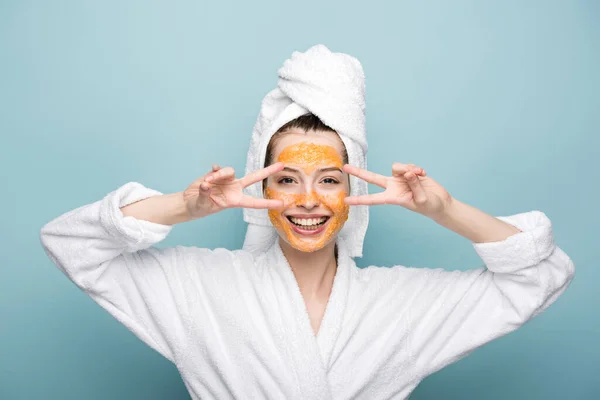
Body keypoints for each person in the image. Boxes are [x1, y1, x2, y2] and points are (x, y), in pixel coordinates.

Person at [40, 45, 575, 400]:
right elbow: (70, 243)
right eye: (287, 179)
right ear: (261, 188)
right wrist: (184, 207)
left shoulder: (402, 303)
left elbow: (539, 276)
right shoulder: (199, 286)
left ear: (353, 190)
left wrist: (444, 211)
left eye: (329, 180)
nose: (309, 201)